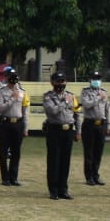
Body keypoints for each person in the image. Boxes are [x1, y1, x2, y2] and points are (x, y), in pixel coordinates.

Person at [42, 71, 79, 200]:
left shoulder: (71, 96)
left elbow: (76, 114)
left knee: (65, 161)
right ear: (52, 83)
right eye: (58, 81)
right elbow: (53, 111)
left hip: (68, 130)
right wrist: (64, 102)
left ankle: (64, 189)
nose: (60, 84)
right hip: (54, 130)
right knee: (54, 161)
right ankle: (54, 190)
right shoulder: (48, 97)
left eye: (62, 81)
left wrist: (77, 131)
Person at [0, 66, 28, 186]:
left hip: (18, 123)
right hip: (5, 123)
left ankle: (14, 177)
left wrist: (26, 127)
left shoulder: (22, 91)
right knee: (3, 152)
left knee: (16, 152)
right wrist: (12, 98)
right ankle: (5, 178)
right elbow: (1, 108)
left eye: (15, 77)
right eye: (11, 77)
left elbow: (25, 111)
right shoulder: (1, 91)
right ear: (7, 78)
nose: (13, 79)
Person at [78, 71, 110, 185]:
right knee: (89, 152)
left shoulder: (104, 92)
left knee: (98, 151)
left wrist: (108, 125)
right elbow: (86, 105)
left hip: (101, 124)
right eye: (94, 78)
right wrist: (98, 98)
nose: (96, 81)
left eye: (98, 78)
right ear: (90, 80)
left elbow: (107, 110)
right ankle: (89, 177)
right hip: (89, 124)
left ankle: (96, 175)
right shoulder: (85, 92)